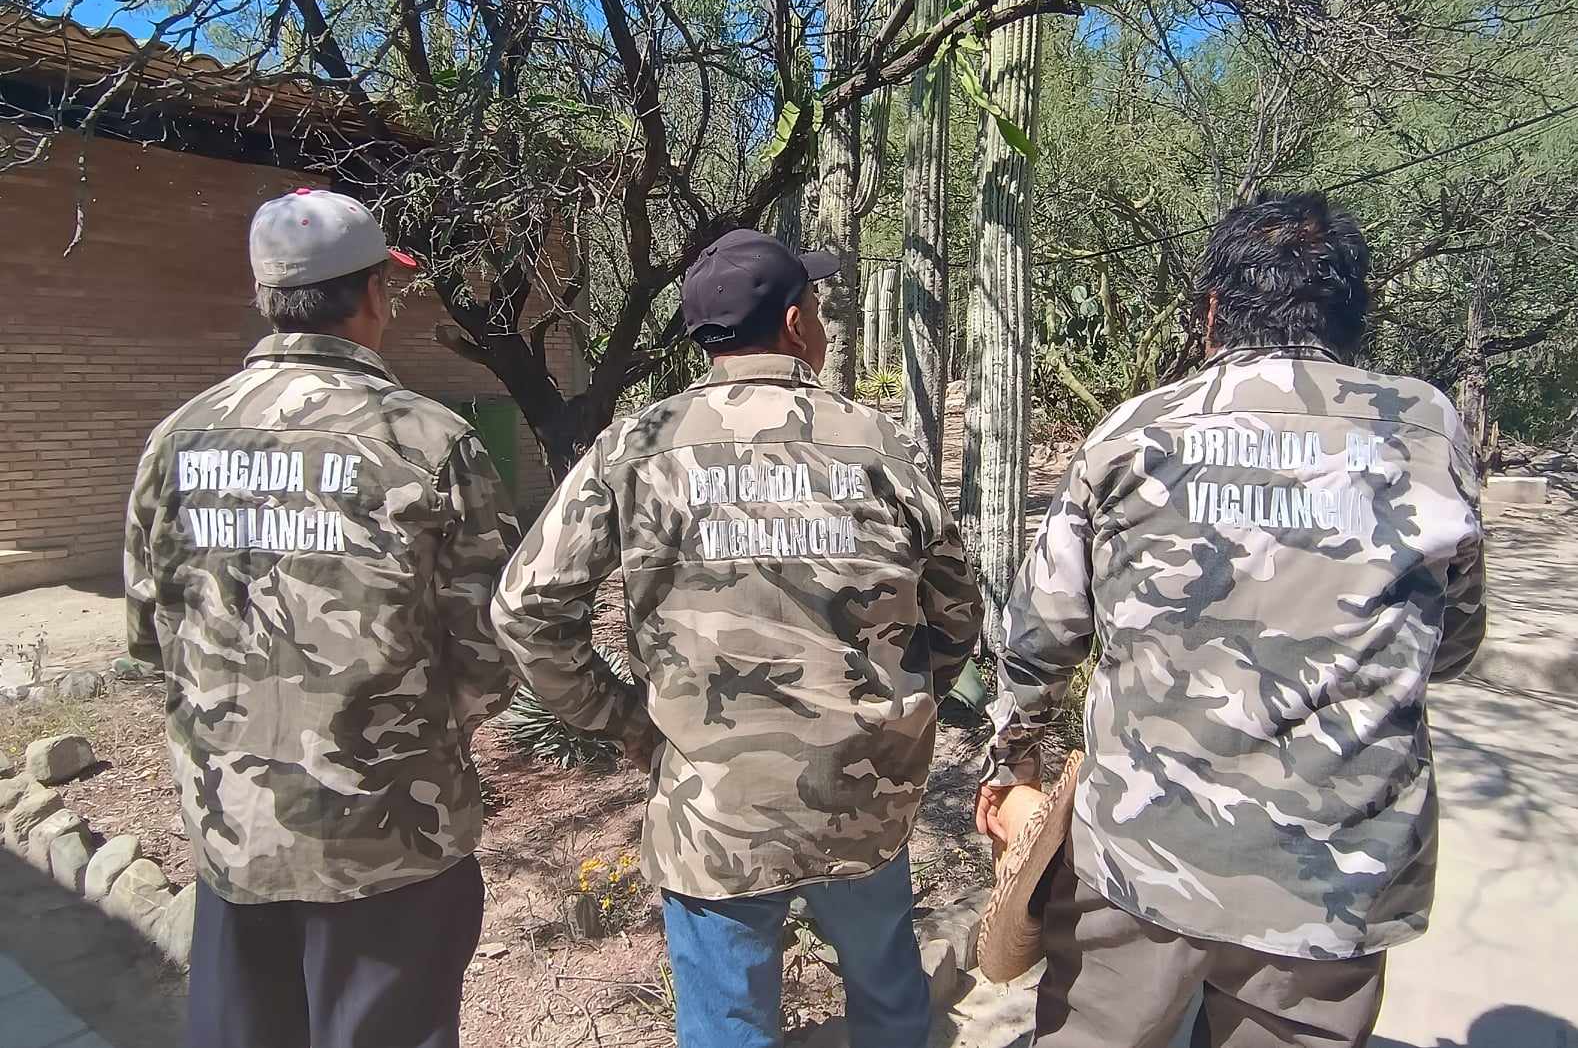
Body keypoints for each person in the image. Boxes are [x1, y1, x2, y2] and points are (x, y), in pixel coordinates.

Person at [975, 192, 1487, 1048]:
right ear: (1353, 313)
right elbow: (1456, 645)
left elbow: (1039, 636)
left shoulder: (1132, 435)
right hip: (1334, 876)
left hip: (1140, 860)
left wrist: (1010, 761)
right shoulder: (1429, 431)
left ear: (1213, 309)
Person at [491, 228, 984, 1048]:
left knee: (727, 1026)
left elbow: (525, 607)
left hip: (712, 804)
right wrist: (905, 705)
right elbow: (957, 608)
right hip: (861, 795)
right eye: (817, 306)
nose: (820, 322)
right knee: (890, 999)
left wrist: (624, 719)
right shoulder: (876, 442)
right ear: (796, 325)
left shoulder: (636, 447)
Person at [124, 188, 522, 1048]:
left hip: (234, 837)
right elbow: (489, 655)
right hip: (391, 840)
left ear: (269, 297)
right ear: (374, 293)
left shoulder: (175, 441)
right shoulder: (426, 440)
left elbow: (151, 635)